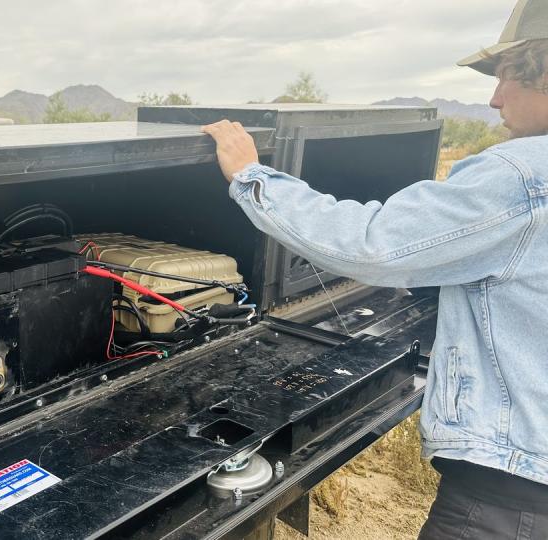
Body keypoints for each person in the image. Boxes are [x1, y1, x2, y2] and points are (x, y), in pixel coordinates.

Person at [202, 1, 548, 538]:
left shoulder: (524, 174)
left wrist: (252, 176)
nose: (494, 97)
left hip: (513, 496)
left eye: (506, 76)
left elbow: (371, 246)